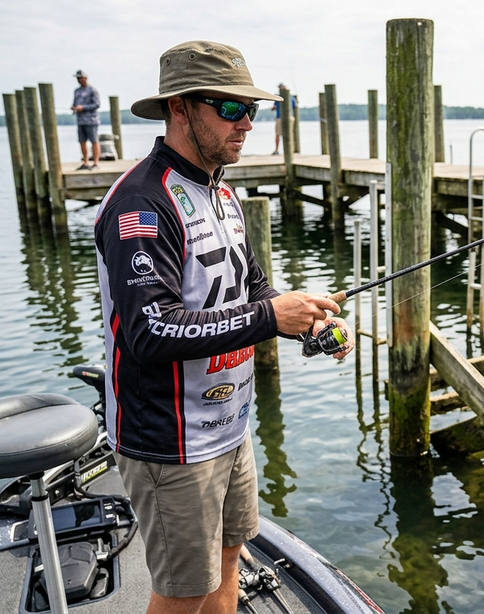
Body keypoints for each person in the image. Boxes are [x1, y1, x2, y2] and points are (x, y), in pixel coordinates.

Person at [94, 40, 353, 614]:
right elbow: (150, 331)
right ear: (180, 108)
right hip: (171, 442)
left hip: (230, 428)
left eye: (254, 110)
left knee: (231, 556)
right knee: (182, 595)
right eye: (230, 109)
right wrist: (269, 318)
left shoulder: (222, 191)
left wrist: (304, 318)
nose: (247, 124)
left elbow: (252, 287)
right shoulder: (141, 204)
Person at [72, 70, 101, 170]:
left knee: (94, 141)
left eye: (80, 78)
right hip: (80, 121)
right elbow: (75, 103)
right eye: (77, 78)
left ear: (85, 77)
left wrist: (83, 107)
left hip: (91, 121)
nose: (79, 80)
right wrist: (74, 107)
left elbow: (97, 104)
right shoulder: (77, 91)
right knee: (82, 141)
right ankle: (85, 163)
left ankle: (96, 163)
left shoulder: (92, 90)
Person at [271, 83, 297, 155]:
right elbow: (295, 107)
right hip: (288, 118)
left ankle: (278, 150)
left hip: (281, 118)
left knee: (278, 134)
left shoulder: (278, 97)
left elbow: (273, 107)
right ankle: (290, 150)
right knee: (288, 134)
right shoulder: (291, 97)